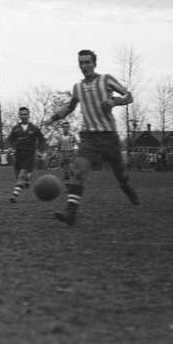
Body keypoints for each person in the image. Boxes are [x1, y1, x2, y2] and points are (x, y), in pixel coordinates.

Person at [47, 49, 140, 226]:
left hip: (109, 137)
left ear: (94, 63)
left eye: (87, 62)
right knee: (79, 171)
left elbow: (129, 97)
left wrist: (113, 102)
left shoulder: (106, 80)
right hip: (89, 137)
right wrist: (53, 118)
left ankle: (125, 186)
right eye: (81, 63)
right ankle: (70, 214)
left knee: (121, 175)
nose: (84, 66)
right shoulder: (78, 88)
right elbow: (69, 107)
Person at [8, 107, 46, 203]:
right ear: (19, 115)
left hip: (29, 154)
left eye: (25, 114)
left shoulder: (34, 128)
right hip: (18, 154)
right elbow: (10, 139)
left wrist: (40, 150)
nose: (24, 116)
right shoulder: (16, 128)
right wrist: (11, 147)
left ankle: (14, 196)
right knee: (17, 176)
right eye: (22, 114)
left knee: (21, 175)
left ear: (29, 115)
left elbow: (42, 140)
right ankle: (28, 178)